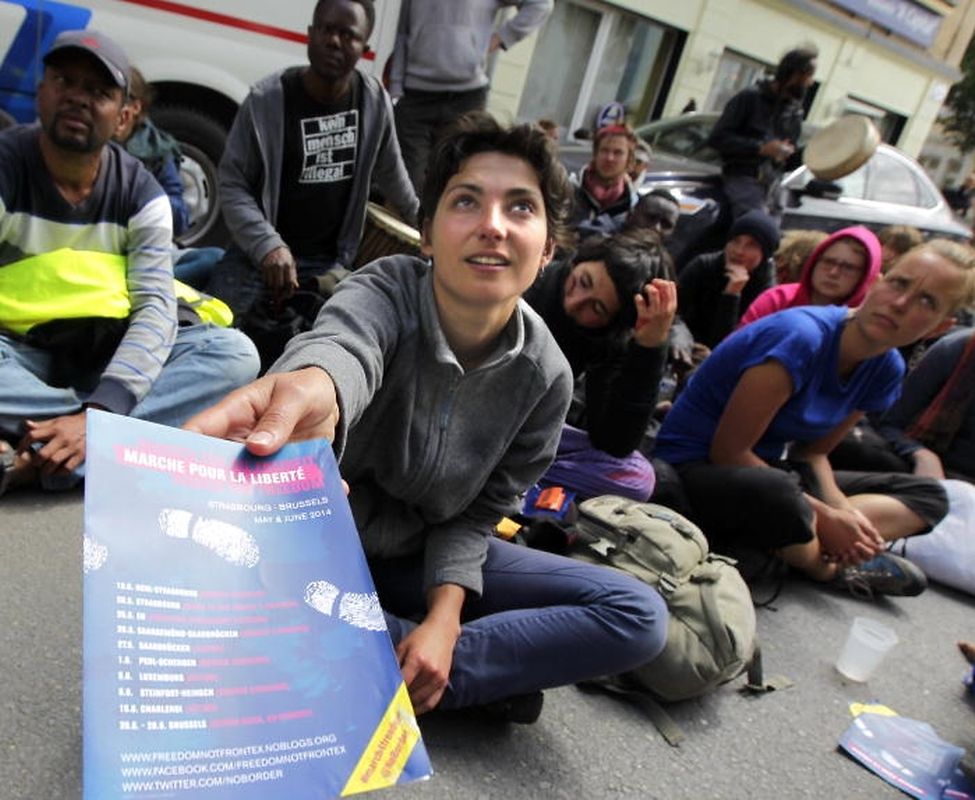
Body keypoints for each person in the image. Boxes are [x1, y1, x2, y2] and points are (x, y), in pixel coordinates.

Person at [186, 113, 667, 723]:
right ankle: (444, 681)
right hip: (314, 544)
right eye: (467, 201)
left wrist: (444, 621)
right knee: (220, 563)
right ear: (428, 236)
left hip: (424, 559)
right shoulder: (384, 289)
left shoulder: (547, 377)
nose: (492, 226)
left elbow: (477, 516)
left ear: (547, 249)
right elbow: (342, 346)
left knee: (638, 615)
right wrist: (319, 390)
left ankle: (397, 665)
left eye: (520, 208)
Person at [0, 30, 259, 496]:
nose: (77, 98)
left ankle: (48, 447)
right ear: (41, 92)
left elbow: (155, 309)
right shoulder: (6, 166)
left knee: (236, 355)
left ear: (123, 118)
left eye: (97, 92)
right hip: (22, 352)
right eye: (65, 81)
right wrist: (89, 416)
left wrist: (99, 414)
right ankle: (85, 444)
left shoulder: (143, 193)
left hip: (108, 355)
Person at [654, 240, 975, 597]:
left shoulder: (887, 368)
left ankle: (805, 544)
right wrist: (824, 515)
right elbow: (729, 451)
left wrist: (841, 514)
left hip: (772, 470)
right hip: (699, 468)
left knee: (932, 496)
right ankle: (827, 568)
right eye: (899, 284)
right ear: (876, 283)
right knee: (778, 495)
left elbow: (813, 454)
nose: (900, 304)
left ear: (939, 328)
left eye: (926, 301)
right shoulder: (801, 336)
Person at [208, 0, 418, 349]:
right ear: (310, 34)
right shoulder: (267, 100)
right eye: (327, 29)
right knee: (211, 338)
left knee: (332, 351)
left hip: (328, 265)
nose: (335, 41)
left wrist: (430, 230)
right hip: (257, 258)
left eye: (348, 35)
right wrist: (268, 245)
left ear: (363, 49)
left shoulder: (373, 101)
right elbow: (232, 185)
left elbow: (395, 179)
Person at [523, 233, 677, 500]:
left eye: (595, 308)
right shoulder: (531, 275)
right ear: (582, 260)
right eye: (583, 282)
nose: (574, 302)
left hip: (524, 433)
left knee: (637, 476)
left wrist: (649, 346)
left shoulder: (605, 340)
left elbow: (614, 442)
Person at [389, 0, 553, 192]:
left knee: (456, 181)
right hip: (415, 97)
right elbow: (402, 34)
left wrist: (501, 37)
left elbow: (540, 4)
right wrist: (395, 87)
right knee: (407, 186)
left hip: (466, 98)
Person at [114, 66, 223, 289]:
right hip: (105, 249)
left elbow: (180, 216)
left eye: (122, 99)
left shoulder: (158, 149)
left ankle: (145, 285)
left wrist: (146, 201)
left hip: (150, 247)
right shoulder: (89, 145)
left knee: (215, 259)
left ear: (136, 108)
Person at [708, 47, 817, 218]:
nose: (811, 83)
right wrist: (760, 148)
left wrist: (813, 153)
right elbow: (718, 139)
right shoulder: (750, 98)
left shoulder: (795, 111)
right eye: (809, 75)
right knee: (756, 227)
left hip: (774, 186)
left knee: (771, 237)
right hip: (743, 180)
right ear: (794, 74)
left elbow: (788, 162)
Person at [738, 226, 881, 328]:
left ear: (865, 277)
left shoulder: (866, 322)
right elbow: (737, 350)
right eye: (828, 261)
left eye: (848, 267)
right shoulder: (778, 299)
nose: (833, 272)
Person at [677, 209, 779, 348]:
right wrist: (680, 334)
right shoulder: (703, 266)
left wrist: (732, 294)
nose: (739, 251)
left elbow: (727, 344)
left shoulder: (767, 290)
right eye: (735, 241)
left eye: (751, 245)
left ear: (765, 254)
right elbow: (673, 311)